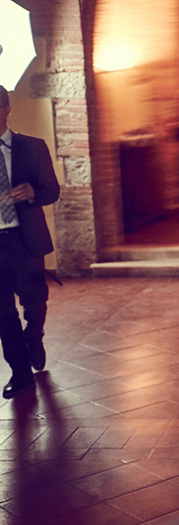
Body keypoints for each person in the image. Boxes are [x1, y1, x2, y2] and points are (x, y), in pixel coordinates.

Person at [0, 86, 61, 399]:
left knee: (35, 300)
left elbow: (52, 190)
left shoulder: (32, 147)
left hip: (25, 240)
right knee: (2, 313)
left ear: (7, 108)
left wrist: (33, 192)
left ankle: (34, 335)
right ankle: (20, 373)